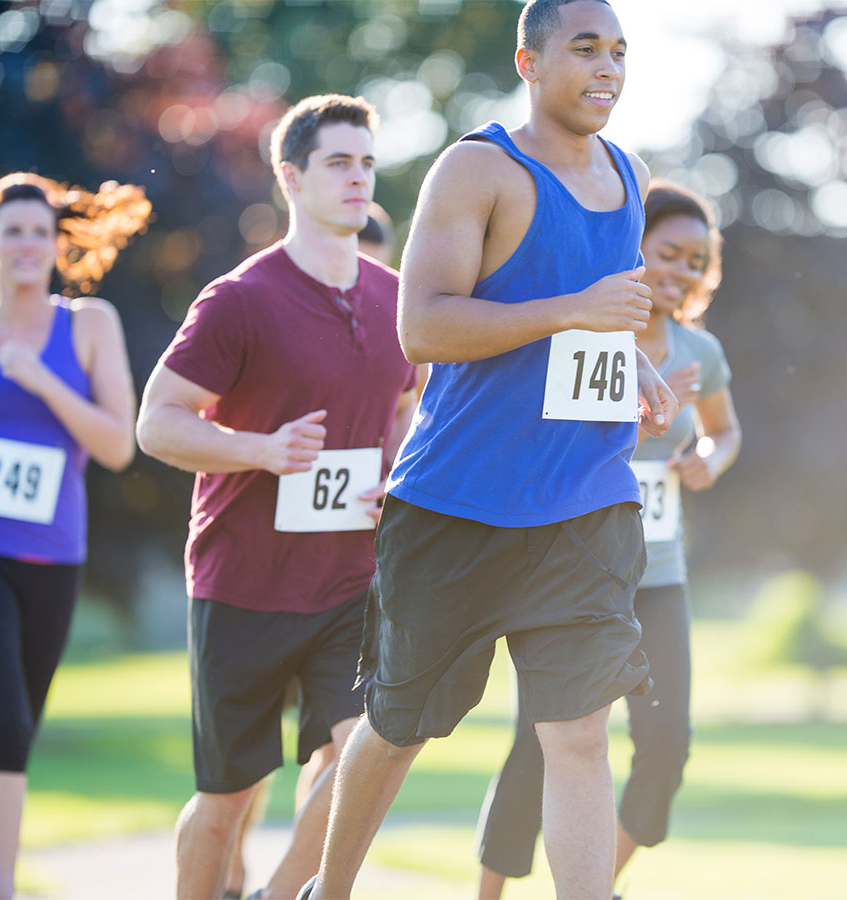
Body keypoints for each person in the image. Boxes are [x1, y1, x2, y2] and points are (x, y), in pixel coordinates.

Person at [303, 2, 678, 898]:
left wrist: (631, 366)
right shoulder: (479, 167)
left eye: (620, 52)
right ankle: (331, 889)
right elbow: (422, 323)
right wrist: (573, 313)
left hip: (586, 502)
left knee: (581, 733)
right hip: (456, 504)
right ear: (529, 60)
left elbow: (593, 320)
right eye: (585, 48)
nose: (608, 67)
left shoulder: (629, 174)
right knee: (397, 726)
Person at [136, 94, 417, 900]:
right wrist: (261, 451)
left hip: (348, 582)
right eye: (338, 162)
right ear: (290, 178)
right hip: (243, 583)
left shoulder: (396, 296)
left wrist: (396, 469)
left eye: (366, 162)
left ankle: (280, 893)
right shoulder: (239, 300)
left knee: (362, 749)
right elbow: (157, 422)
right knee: (226, 801)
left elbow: (408, 399)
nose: (358, 178)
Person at [475, 180, 741, 897]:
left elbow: (725, 431)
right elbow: (550, 433)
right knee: (542, 746)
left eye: (696, 261)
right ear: (633, 249)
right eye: (668, 253)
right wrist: (646, 406)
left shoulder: (700, 352)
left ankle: (594, 884)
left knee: (666, 749)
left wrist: (707, 460)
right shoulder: (587, 330)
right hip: (572, 570)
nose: (681, 271)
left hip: (659, 576)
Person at [0, 172, 147, 900]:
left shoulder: (89, 325)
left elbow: (117, 444)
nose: (28, 245)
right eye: (14, 233)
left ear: (56, 245)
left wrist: (42, 382)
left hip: (54, 553)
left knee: (13, 725)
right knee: (1, 722)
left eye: (40, 233)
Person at [221, 200, 403, 900]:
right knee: (256, 761)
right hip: (262, 574)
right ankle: (235, 863)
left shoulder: (396, 333)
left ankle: (293, 884)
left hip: (355, 573)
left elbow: (414, 422)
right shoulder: (271, 313)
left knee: (342, 745)